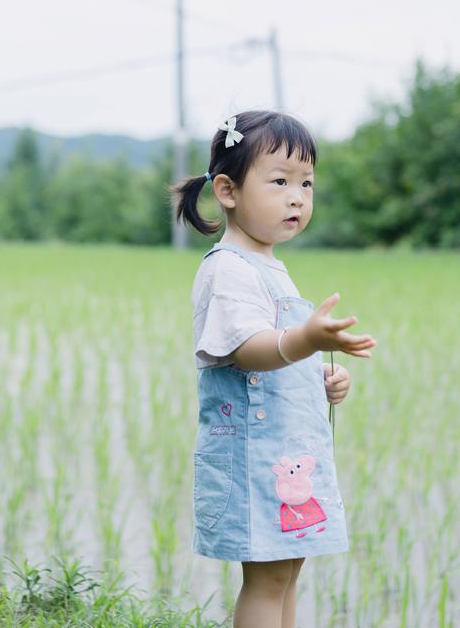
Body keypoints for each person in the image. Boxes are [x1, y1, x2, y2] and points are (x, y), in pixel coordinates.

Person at [169, 109, 377, 628]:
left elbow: (278, 359)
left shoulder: (268, 265)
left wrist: (321, 378)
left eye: (307, 183)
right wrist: (307, 340)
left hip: (286, 457)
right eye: (280, 181)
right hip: (253, 457)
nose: (297, 197)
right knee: (266, 579)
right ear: (228, 190)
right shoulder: (229, 267)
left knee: (287, 572)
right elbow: (248, 349)